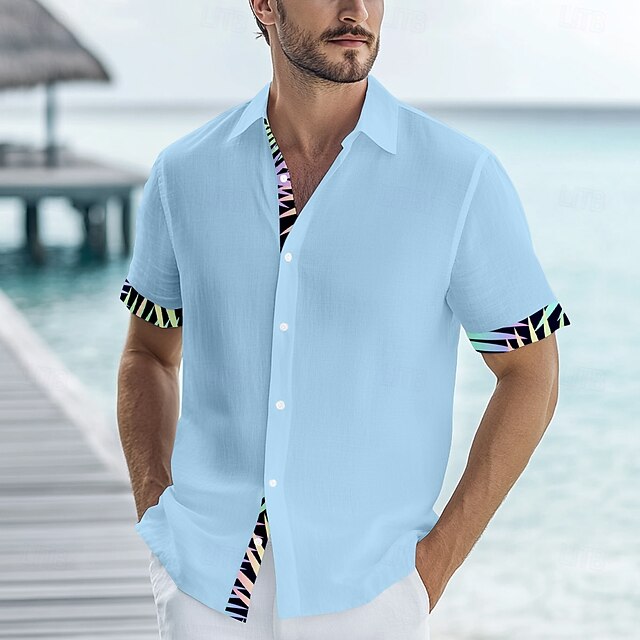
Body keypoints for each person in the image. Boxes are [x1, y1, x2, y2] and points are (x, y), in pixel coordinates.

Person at [116, 1, 571, 638]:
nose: (356, 9)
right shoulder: (184, 174)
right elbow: (148, 354)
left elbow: (531, 372)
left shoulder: (458, 178)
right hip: (204, 586)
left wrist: (431, 569)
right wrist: (155, 510)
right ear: (264, 5)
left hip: (369, 596)